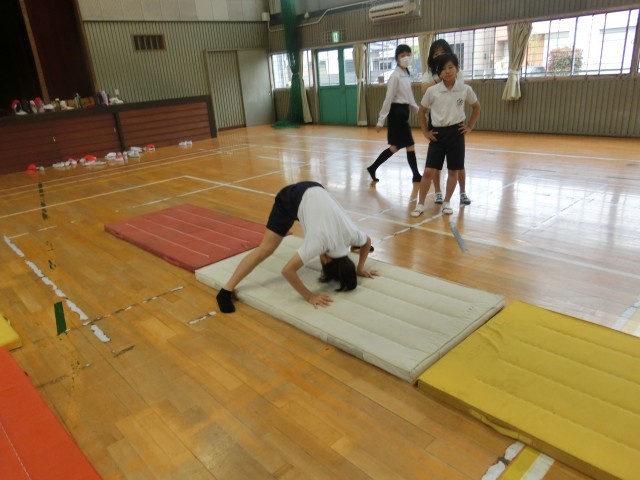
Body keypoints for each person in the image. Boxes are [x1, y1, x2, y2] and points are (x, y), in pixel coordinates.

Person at [216, 181, 378, 313]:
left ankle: (227, 290)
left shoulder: (351, 234)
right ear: (326, 260)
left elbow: (367, 242)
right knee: (266, 249)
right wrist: (309, 296)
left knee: (314, 223)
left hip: (315, 187)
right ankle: (225, 291)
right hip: (290, 198)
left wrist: (359, 268)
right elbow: (287, 271)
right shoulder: (318, 241)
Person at [411, 53, 481, 217]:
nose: (447, 71)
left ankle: (447, 202)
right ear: (439, 73)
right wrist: (425, 131)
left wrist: (469, 126)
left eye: (451, 67)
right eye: (443, 69)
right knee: (428, 171)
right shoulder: (432, 91)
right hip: (438, 134)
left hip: (456, 134)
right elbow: (421, 112)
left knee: (453, 171)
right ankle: (420, 204)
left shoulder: (465, 89)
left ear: (457, 69)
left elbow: (476, 107)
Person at [420, 39, 471, 206]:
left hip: (454, 120)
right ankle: (438, 192)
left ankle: (462, 192)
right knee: (435, 163)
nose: (439, 55)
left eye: (442, 52)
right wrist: (440, 78)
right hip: (436, 120)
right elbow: (424, 89)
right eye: (435, 53)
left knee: (457, 163)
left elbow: (459, 87)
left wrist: (445, 75)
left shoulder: (455, 70)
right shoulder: (430, 73)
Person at [367, 44, 422, 184]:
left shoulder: (406, 75)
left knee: (396, 147)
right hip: (397, 114)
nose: (406, 58)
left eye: (408, 55)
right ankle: (416, 175)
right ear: (397, 58)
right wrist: (380, 120)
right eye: (402, 55)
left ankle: (373, 168)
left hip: (403, 112)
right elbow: (388, 99)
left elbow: (410, 97)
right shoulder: (395, 76)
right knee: (409, 144)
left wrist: (419, 111)